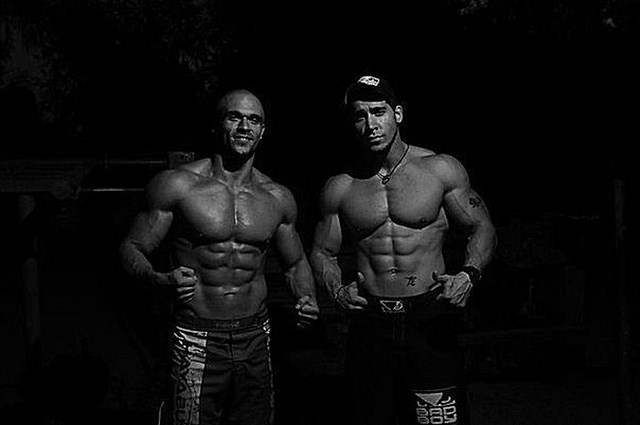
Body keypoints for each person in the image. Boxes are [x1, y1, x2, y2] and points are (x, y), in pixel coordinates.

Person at [119, 88, 319, 425]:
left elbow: (296, 263)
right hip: (196, 335)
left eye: (254, 120)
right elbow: (131, 247)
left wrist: (307, 297)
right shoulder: (177, 185)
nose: (244, 126)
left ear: (262, 131)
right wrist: (158, 279)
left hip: (256, 336)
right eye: (234, 117)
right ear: (217, 125)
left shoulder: (277, 197)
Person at [310, 74, 496, 425]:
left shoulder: (440, 169)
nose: (370, 124)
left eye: (378, 112)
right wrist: (336, 291)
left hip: (429, 317)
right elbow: (322, 253)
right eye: (360, 115)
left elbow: (481, 226)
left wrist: (469, 274)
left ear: (397, 114)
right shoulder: (340, 187)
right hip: (370, 322)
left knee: (438, 420)